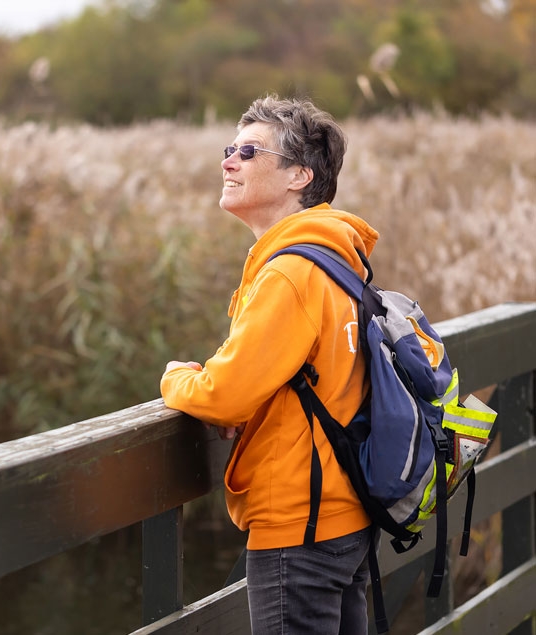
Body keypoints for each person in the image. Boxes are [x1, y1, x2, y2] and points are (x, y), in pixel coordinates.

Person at [160, 95, 378, 634]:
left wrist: (175, 377)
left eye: (249, 152)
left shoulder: (290, 274)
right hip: (346, 513)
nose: (228, 161)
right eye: (229, 148)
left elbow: (222, 395)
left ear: (298, 176)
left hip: (299, 525)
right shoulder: (334, 260)